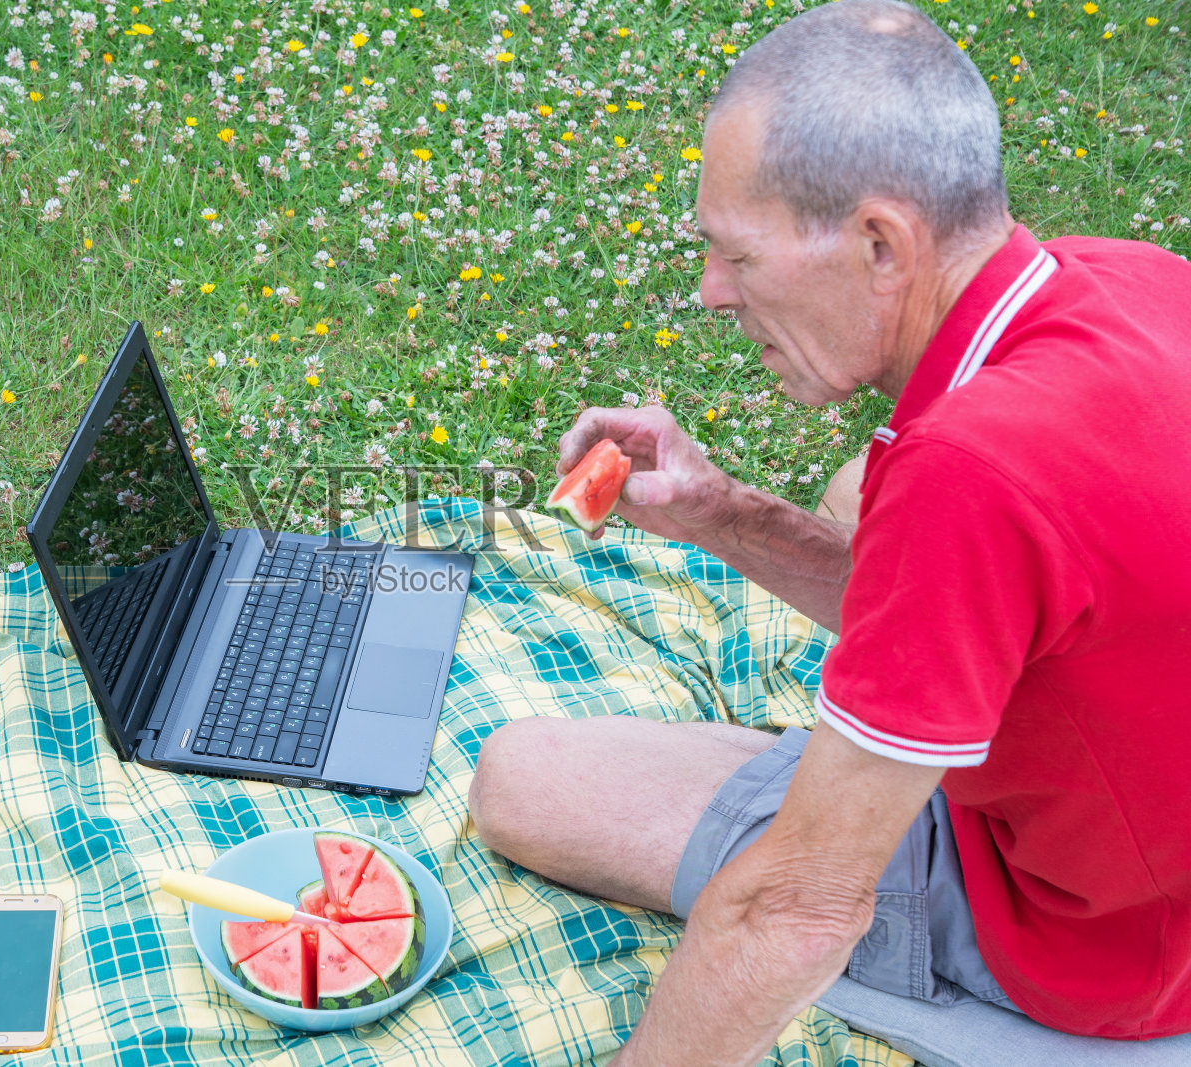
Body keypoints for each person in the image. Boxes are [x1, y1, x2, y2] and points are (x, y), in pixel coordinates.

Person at [465, 1, 1191, 1063]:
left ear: (879, 242)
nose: (712, 294)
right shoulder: (1135, 278)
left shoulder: (967, 472)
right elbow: (980, 574)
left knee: (524, 776)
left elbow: (796, 908)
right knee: (867, 485)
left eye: (737, 256)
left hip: (1104, 955)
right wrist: (717, 507)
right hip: (1150, 835)